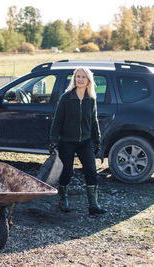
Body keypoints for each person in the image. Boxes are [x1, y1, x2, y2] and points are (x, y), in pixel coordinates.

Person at [49, 67, 106, 215]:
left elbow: (94, 121)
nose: (80, 79)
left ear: (88, 81)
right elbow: (58, 120)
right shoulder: (66, 98)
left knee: (91, 171)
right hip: (67, 141)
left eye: (83, 77)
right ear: (74, 79)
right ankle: (63, 200)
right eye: (77, 76)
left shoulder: (91, 99)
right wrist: (54, 140)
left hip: (85, 142)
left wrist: (97, 140)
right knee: (67, 171)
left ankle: (93, 205)